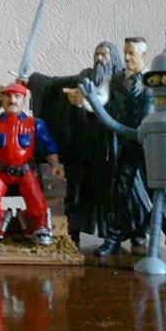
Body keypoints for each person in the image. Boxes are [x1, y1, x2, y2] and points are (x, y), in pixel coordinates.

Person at [93, 37, 166, 262]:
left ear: (143, 55)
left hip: (153, 147)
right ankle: (113, 239)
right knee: (120, 193)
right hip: (128, 144)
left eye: (132, 53)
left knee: (162, 196)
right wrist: (85, 99)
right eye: (125, 52)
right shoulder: (116, 80)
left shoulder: (157, 79)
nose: (126, 58)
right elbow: (97, 99)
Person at [27, 41, 123, 243]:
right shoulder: (85, 76)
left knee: (114, 190)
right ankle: (75, 228)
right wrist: (32, 81)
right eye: (97, 54)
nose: (99, 59)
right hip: (85, 143)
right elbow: (55, 84)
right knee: (78, 187)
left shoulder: (120, 81)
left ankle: (118, 235)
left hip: (112, 145)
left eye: (104, 55)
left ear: (113, 58)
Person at [0, 82, 64, 246]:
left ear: (23, 100)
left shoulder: (35, 124)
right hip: (0, 172)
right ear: (2, 99)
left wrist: (55, 165)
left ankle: (38, 227)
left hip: (25, 171)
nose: (12, 100)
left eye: (17, 96)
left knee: (37, 201)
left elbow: (49, 146)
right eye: (8, 96)